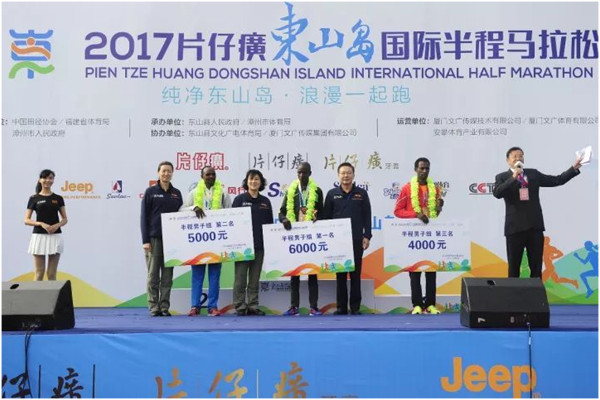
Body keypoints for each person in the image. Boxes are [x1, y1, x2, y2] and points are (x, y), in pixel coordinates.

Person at [493, 147, 582, 278]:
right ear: (508, 160)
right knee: (514, 267)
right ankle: (513, 292)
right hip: (514, 228)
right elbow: (497, 193)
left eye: (521, 156)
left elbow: (557, 180)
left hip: (534, 227)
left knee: (536, 267)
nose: (518, 158)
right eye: (515, 156)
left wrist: (573, 168)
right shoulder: (502, 177)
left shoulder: (533, 174)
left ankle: (537, 291)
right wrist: (514, 177)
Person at [393, 158, 444, 315]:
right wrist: (415, 214)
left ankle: (430, 304)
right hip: (413, 237)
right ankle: (417, 305)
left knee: (431, 271)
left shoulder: (434, 188)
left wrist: (439, 207)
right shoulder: (407, 188)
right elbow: (397, 211)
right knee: (414, 273)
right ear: (415, 169)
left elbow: (434, 214)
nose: (424, 171)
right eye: (421, 168)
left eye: (427, 168)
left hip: (430, 237)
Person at [180, 166, 231, 317]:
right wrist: (194, 207)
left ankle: (212, 306)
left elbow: (230, 211)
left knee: (214, 276)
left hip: (217, 240)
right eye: (207, 174)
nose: (211, 177)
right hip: (199, 241)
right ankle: (195, 306)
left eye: (213, 174)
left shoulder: (223, 192)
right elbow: (182, 209)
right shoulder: (194, 192)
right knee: (197, 276)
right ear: (201, 176)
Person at [323, 162, 372, 315]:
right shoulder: (332, 194)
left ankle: (355, 307)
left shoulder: (361, 194)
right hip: (338, 241)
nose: (346, 176)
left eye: (349, 173)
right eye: (343, 173)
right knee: (340, 275)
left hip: (357, 239)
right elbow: (326, 218)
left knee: (356, 274)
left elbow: (367, 216)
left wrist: (367, 235)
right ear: (338, 175)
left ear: (353, 175)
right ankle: (341, 307)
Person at [279, 162, 324, 317]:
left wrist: (318, 217)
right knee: (294, 274)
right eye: (299, 172)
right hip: (295, 238)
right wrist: (284, 219)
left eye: (304, 172)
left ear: (310, 173)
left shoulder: (317, 191)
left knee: (313, 273)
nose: (301, 175)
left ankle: (314, 307)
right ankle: (294, 307)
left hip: (311, 237)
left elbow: (323, 213)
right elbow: (281, 212)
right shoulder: (291, 191)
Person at [140, 161, 183, 317]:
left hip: (171, 240)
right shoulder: (150, 192)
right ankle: (154, 307)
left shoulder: (176, 193)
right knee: (153, 275)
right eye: (163, 171)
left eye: (169, 171)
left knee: (167, 276)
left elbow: (181, 215)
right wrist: (145, 241)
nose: (166, 174)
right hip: (154, 239)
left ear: (172, 173)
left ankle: (164, 307)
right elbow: (144, 217)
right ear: (158, 173)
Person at [232, 169, 273, 316]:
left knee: (255, 279)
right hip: (242, 246)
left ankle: (253, 305)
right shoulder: (239, 200)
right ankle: (240, 306)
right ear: (246, 181)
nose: (253, 182)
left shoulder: (265, 202)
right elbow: (232, 223)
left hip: (260, 246)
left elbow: (269, 224)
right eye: (251, 179)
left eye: (256, 179)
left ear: (261, 182)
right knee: (240, 279)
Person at [24, 169, 68, 281]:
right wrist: (40, 223)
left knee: (52, 274)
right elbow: (26, 220)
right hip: (39, 237)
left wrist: (57, 225)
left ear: (53, 180)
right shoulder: (33, 198)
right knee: (39, 273)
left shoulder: (58, 198)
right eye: (45, 178)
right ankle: (35, 294)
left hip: (55, 236)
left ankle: (53, 294)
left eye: (50, 178)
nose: (47, 180)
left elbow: (65, 219)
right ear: (40, 180)